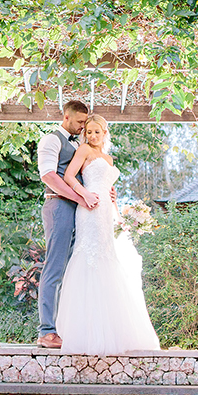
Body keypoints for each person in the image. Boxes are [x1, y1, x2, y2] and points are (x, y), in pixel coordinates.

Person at [55, 114, 160, 355]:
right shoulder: (83, 150)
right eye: (88, 132)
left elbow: (107, 184)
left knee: (108, 257)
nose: (91, 136)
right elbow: (69, 177)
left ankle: (113, 329)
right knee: (89, 256)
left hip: (105, 212)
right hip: (89, 208)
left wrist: (115, 205)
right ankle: (86, 332)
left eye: (96, 132)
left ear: (104, 133)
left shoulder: (109, 158)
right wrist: (86, 195)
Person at [35, 100, 92, 349]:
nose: (83, 126)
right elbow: (48, 175)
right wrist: (80, 197)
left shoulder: (79, 143)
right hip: (58, 206)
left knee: (74, 269)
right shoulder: (51, 139)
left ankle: (66, 327)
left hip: (77, 210)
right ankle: (46, 331)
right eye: (80, 122)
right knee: (54, 268)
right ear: (66, 117)